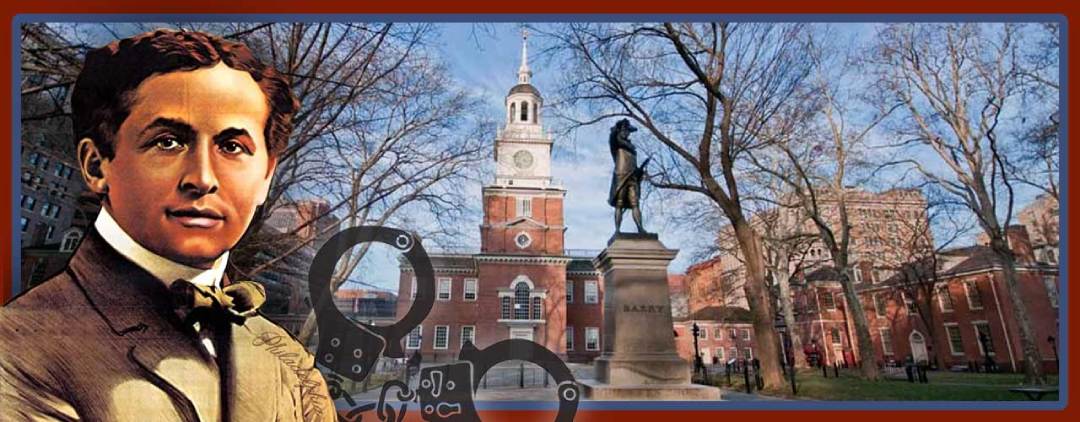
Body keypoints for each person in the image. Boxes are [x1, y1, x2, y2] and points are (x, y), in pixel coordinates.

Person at [1, 29, 336, 421]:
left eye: (232, 147)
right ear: (96, 165)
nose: (203, 178)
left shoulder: (290, 362)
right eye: (168, 142)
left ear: (265, 177)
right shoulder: (19, 346)